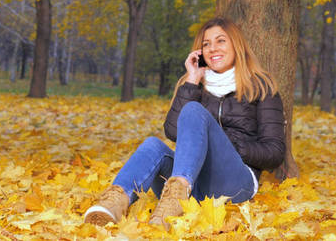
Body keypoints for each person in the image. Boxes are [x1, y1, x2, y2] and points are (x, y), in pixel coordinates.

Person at [83, 17, 286, 229]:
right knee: (153, 145)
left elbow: (274, 151)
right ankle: (112, 204)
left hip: (235, 182)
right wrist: (192, 81)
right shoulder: (193, 84)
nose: (212, 48)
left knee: (193, 111)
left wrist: (228, 145)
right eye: (206, 44)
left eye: (220, 41)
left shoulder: (261, 87)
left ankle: (174, 202)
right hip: (193, 182)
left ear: (237, 45)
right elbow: (172, 131)